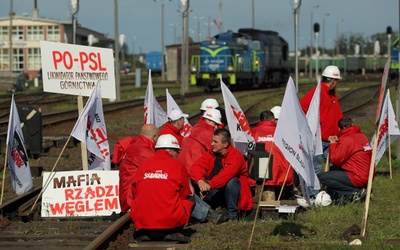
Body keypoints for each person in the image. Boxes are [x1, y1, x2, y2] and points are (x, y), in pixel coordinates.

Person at [130, 134, 193, 243]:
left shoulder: (144, 165)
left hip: (143, 219)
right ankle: (174, 231)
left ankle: (146, 232)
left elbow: (134, 190)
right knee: (190, 199)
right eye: (177, 152)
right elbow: (185, 193)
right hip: (169, 219)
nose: (178, 155)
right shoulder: (178, 165)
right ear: (171, 151)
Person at [190, 128, 253, 221]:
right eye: (212, 140)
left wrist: (209, 185)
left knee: (232, 181)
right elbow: (196, 167)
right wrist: (200, 181)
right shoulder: (210, 153)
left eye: (215, 142)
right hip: (212, 189)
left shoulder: (236, 156)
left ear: (225, 144)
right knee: (189, 182)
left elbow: (225, 175)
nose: (212, 144)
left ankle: (232, 214)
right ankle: (207, 212)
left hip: (230, 192)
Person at [299, 65, 344, 196]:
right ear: (333, 81)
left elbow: (337, 114)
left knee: (335, 166)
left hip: (331, 139)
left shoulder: (332, 95)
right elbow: (302, 105)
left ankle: (332, 192)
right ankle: (313, 195)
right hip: (318, 139)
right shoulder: (318, 92)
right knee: (316, 168)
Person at [318, 117, 373, 204]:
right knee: (334, 170)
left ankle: (354, 192)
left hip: (357, 176)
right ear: (352, 124)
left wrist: (332, 145)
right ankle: (342, 196)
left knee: (323, 177)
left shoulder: (347, 139)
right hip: (369, 174)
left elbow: (335, 159)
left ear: (339, 128)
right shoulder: (362, 136)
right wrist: (338, 142)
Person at [251, 110, 294, 198]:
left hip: (257, 172)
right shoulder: (282, 133)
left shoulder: (253, 132)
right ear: (273, 120)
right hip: (279, 171)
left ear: (260, 120)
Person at [118, 124, 159, 213]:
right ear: (154, 136)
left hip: (127, 194)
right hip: (131, 198)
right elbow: (158, 167)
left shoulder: (137, 145)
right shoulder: (143, 149)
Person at [179, 109, 222, 173]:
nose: (216, 127)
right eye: (215, 124)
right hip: (193, 169)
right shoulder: (207, 132)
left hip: (184, 166)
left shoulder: (196, 127)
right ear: (207, 120)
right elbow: (220, 149)